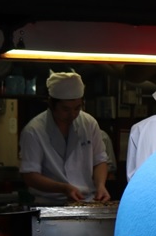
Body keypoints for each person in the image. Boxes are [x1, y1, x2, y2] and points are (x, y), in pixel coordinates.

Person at [18, 70, 110, 205]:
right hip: (48, 204)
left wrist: (101, 185)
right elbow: (30, 175)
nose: (72, 114)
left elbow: (100, 160)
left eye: (77, 108)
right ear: (51, 103)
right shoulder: (34, 130)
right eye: (66, 109)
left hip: (86, 202)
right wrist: (63, 188)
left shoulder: (89, 123)